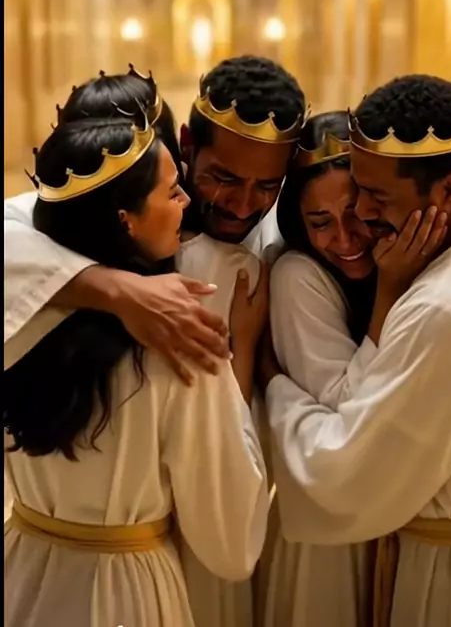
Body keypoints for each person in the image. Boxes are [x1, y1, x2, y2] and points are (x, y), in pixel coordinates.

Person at [4, 56, 306, 627]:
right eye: (209, 181)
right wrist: (121, 292)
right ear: (187, 147)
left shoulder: (26, 308)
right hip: (138, 587)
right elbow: (231, 540)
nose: (241, 203)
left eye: (268, 186)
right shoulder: (184, 329)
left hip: (26, 570)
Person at [260, 76, 451, 627]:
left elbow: (345, 470)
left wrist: (271, 382)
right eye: (322, 220)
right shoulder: (305, 276)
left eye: (375, 199)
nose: (361, 217)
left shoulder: (443, 306)